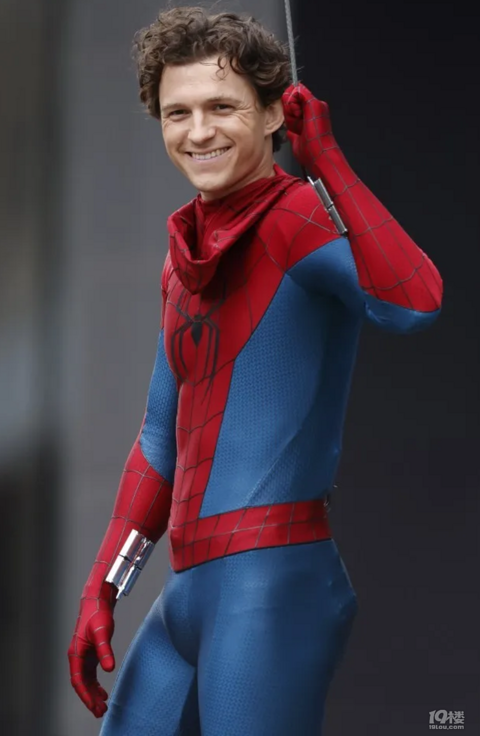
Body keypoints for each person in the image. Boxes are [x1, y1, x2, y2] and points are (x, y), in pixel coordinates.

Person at [67, 7, 443, 735]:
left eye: (221, 107)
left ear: (272, 113)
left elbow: (414, 303)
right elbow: (159, 440)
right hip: (188, 592)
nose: (198, 131)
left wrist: (326, 161)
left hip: (271, 583)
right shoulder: (182, 261)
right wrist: (104, 587)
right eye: (178, 112)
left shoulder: (294, 218)